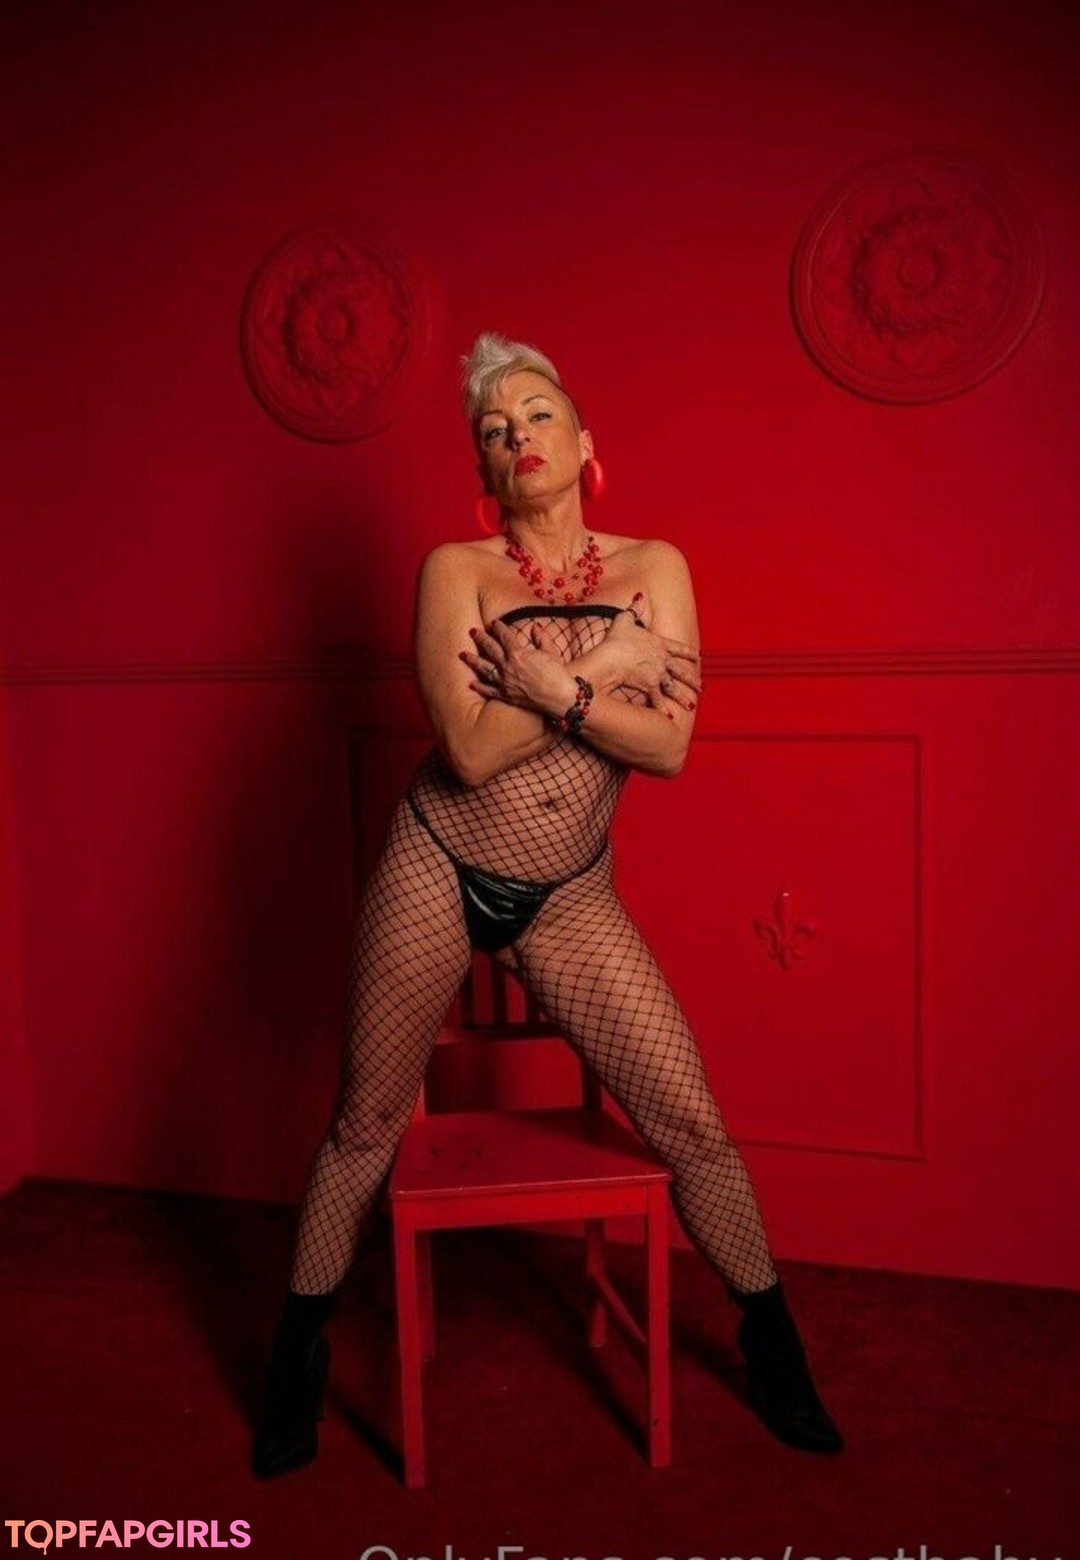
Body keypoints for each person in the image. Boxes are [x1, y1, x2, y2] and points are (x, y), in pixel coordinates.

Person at [252, 331, 844, 1478]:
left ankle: (773, 1342)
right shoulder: (455, 572)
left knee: (692, 1124)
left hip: (567, 894)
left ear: (583, 441)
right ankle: (296, 1350)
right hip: (436, 862)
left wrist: (549, 684)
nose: (516, 436)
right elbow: (470, 754)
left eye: (536, 416)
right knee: (363, 1123)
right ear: (484, 466)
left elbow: (667, 749)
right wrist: (607, 672)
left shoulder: (657, 565)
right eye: (493, 429)